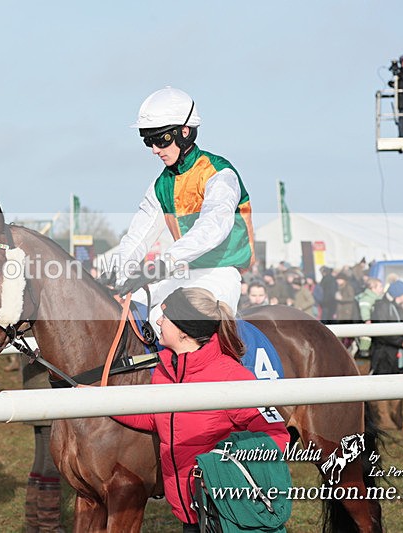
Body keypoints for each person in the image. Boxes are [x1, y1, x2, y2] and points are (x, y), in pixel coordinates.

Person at [111, 287, 289, 531]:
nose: (159, 321)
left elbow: (276, 435)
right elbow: (155, 416)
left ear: (185, 332)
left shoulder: (233, 377)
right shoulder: (165, 370)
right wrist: (98, 400)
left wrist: (223, 473)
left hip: (227, 513)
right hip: (190, 512)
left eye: (166, 316)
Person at [111, 87, 255, 331]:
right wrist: (120, 275)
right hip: (182, 274)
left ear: (184, 132)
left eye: (160, 139)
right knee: (121, 310)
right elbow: (137, 238)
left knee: (167, 322)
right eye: (148, 141)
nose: (155, 149)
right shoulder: (161, 185)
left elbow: (212, 229)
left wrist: (163, 263)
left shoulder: (219, 174)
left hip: (220, 274)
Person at [369, 279, 403, 430]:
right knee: (382, 386)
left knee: (398, 386)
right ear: (398, 294)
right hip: (384, 355)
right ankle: (384, 421)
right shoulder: (381, 307)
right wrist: (400, 341)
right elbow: (381, 331)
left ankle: (397, 417)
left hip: (400, 356)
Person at [21, 364, 64, 532]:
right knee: (50, 461)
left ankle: (33, 523)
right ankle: (49, 526)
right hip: (47, 390)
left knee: (41, 458)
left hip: (35, 389)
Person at [355, 278, 385, 356]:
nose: (382, 288)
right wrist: (367, 319)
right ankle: (364, 351)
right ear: (373, 288)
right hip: (368, 322)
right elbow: (364, 309)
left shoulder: (377, 297)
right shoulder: (367, 298)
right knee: (366, 337)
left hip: (373, 321)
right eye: (380, 286)